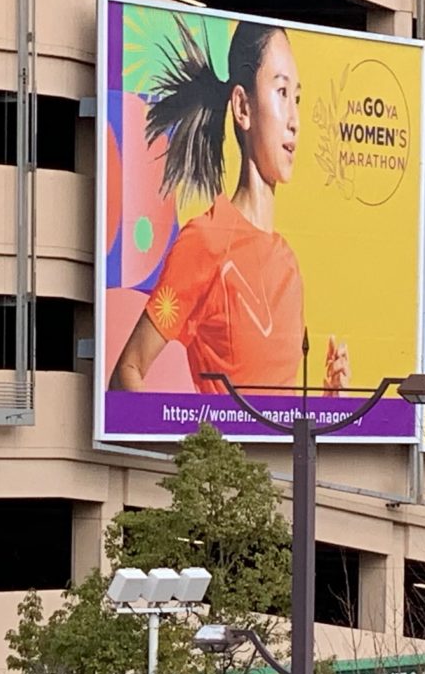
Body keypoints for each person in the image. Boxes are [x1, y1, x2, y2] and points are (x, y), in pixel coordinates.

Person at [109, 20, 348, 397]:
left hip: (281, 459)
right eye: (281, 92)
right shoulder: (205, 240)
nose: (294, 120)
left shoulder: (288, 263)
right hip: (228, 458)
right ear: (242, 106)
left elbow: (279, 411)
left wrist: (328, 400)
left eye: (297, 98)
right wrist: (192, 447)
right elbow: (127, 370)